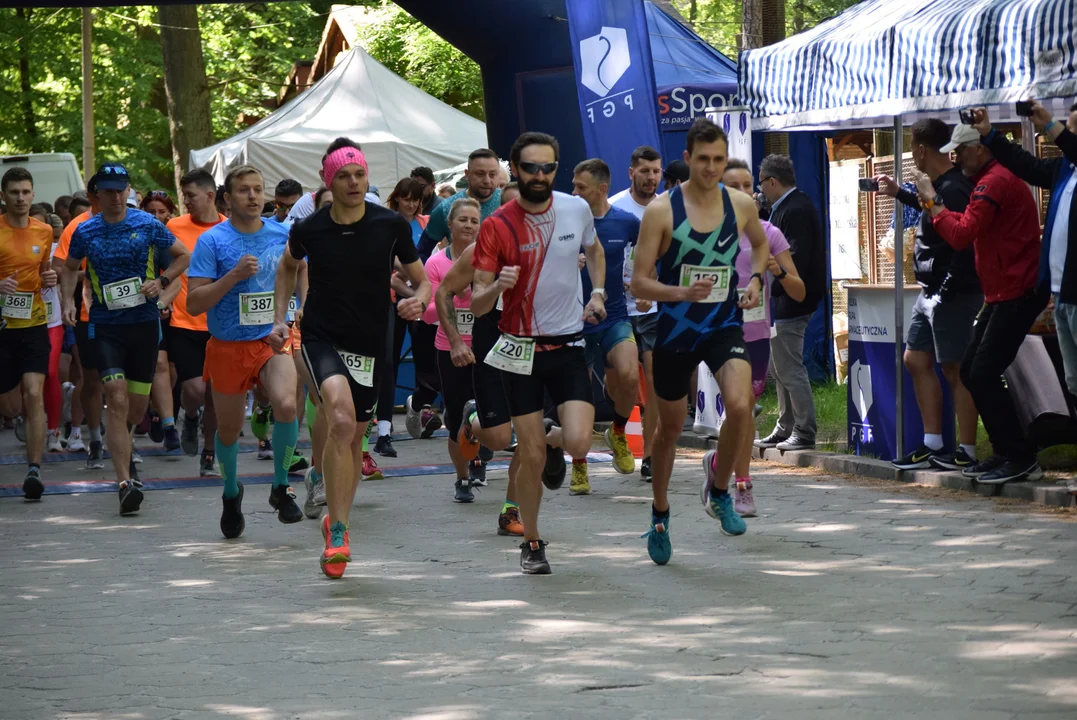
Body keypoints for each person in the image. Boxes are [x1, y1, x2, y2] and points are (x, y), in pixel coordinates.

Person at [273, 138, 430, 579]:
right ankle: (340, 530)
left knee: (354, 434)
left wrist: (418, 300)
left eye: (359, 174)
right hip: (320, 336)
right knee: (340, 419)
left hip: (369, 342)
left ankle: (335, 517)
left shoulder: (389, 225)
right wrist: (280, 317)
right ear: (329, 181)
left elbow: (422, 280)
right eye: (343, 176)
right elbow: (287, 267)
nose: (353, 182)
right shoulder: (310, 228)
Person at [631, 118, 769, 565]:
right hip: (676, 331)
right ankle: (660, 513)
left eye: (719, 159)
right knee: (669, 431)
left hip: (723, 324)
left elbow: (760, 245)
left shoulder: (740, 204)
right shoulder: (662, 211)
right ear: (687, 158)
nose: (711, 168)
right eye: (703, 159)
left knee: (742, 406)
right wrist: (679, 293)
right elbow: (639, 282)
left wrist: (756, 280)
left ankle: (720, 488)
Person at [472, 131, 607, 575]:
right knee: (529, 456)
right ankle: (531, 541)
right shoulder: (497, 226)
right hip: (520, 350)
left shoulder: (576, 208)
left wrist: (598, 292)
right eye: (530, 167)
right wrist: (498, 285)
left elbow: (594, 249)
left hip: (568, 343)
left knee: (579, 441)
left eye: (548, 167)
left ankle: (552, 439)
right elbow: (477, 303)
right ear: (515, 169)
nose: (539, 175)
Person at [914, 114, 1047, 485]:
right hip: (1004, 292)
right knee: (973, 371)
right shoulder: (987, 180)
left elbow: (961, 234)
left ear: (978, 149)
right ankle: (1007, 451)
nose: (954, 158)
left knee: (982, 371)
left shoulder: (994, 182)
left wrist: (931, 202)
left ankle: (1020, 456)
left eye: (959, 151)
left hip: (1017, 291)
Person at [61, 162, 190, 514]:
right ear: (97, 195)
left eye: (121, 190)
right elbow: (69, 269)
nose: (116, 197)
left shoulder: (147, 224)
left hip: (143, 325)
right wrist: (68, 303)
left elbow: (183, 257)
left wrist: (161, 283)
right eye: (108, 191)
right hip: (105, 325)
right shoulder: (86, 230)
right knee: (115, 396)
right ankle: (123, 483)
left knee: (134, 408)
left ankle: (126, 448)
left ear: (128, 191)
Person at [186, 165, 304, 537]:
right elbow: (193, 303)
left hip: (271, 340)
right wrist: (233, 276)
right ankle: (230, 492)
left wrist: (299, 308)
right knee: (229, 429)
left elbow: (299, 268)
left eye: (258, 189)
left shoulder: (281, 234)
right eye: (243, 190)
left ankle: (281, 487)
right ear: (227, 198)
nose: (253, 196)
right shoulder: (212, 241)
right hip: (228, 346)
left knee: (286, 404)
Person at [870, 120, 980, 471]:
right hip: (929, 291)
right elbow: (930, 211)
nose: (912, 155)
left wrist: (946, 290)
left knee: (955, 369)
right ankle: (932, 444)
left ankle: (967, 450)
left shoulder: (954, 187)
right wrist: (898, 193)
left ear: (920, 150)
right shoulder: (937, 186)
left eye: (912, 149)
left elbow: (964, 242)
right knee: (915, 360)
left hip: (952, 292)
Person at [977, 101, 1077, 403]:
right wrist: (990, 134)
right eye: (1069, 128)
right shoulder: (1064, 169)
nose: (1067, 135)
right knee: (1073, 382)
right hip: (1061, 293)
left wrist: (1049, 123)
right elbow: (1026, 165)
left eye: (1073, 130)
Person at [721, 159, 805, 517]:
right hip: (718, 335)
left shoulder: (769, 234)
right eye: (733, 187)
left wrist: (778, 270)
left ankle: (718, 464)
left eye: (747, 186)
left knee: (742, 410)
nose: (743, 193)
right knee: (740, 407)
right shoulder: (706, 234)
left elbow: (799, 291)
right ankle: (742, 485)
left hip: (756, 336)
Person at [570, 158, 642, 494]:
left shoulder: (626, 221)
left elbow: (647, 256)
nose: (573, 192)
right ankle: (579, 464)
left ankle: (618, 431)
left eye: (580, 187)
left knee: (629, 375)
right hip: (573, 322)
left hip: (614, 315)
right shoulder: (565, 221)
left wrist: (644, 286)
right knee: (580, 397)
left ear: (601, 189)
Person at [754, 154, 825, 451]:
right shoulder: (786, 207)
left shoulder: (795, 209)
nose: (760, 190)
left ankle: (804, 430)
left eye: (761, 183)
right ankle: (785, 427)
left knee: (789, 367)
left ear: (772, 181)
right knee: (780, 366)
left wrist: (772, 281)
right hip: (783, 300)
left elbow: (794, 258)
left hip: (793, 301)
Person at [0, 168, 59, 499]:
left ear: (33, 194)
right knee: (11, 406)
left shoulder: (44, 230)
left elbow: (44, 272)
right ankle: (17, 416)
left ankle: (34, 469)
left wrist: (49, 279)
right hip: (2, 327)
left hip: (35, 323)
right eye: (14, 192)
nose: (21, 198)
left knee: (34, 393)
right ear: (3, 196)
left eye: (25, 192)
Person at [422, 198, 484, 501]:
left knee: (487, 414)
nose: (469, 226)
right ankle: (462, 479)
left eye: (474, 221)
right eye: (463, 220)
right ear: (450, 224)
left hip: (485, 348)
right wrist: (457, 296)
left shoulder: (489, 259)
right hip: (450, 349)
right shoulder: (436, 264)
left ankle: (479, 456)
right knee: (457, 418)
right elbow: (428, 314)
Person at [167, 170, 225, 476]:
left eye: (191, 195)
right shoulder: (174, 227)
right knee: (194, 389)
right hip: (184, 322)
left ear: (210, 196)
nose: (186, 201)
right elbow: (164, 267)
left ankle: (209, 453)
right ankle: (190, 416)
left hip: (220, 325)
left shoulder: (229, 229)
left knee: (215, 394)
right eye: (184, 195)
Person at [611, 147, 662, 483]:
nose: (651, 177)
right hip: (617, 308)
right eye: (644, 171)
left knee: (656, 381)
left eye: (656, 171)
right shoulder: (615, 208)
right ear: (631, 173)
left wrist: (651, 289)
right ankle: (617, 428)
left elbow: (667, 257)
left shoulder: (667, 208)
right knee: (622, 382)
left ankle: (651, 454)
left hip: (652, 308)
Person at [376, 177, 431, 457]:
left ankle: (421, 407)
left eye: (416, 200)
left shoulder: (426, 224)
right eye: (406, 199)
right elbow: (387, 266)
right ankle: (383, 424)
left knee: (427, 359)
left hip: (419, 298)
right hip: (394, 299)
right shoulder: (385, 222)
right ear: (396, 197)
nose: (411, 204)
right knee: (390, 360)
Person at [52, 180, 101, 465]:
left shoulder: (137, 223)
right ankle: (88, 437)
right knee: (89, 377)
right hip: (84, 315)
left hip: (127, 316)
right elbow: (61, 268)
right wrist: (71, 299)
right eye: (105, 192)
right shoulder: (77, 228)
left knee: (119, 382)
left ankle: (126, 441)